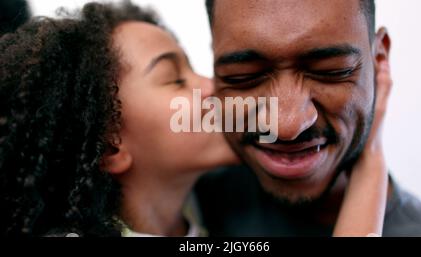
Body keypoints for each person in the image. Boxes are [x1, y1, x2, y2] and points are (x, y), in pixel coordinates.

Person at [0, 0, 399, 237]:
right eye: (175, 79)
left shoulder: (196, 205)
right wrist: (371, 157)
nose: (214, 86)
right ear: (110, 144)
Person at [195, 0, 421, 237]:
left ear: (379, 61)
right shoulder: (191, 193)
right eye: (243, 75)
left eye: (331, 72)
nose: (287, 126)